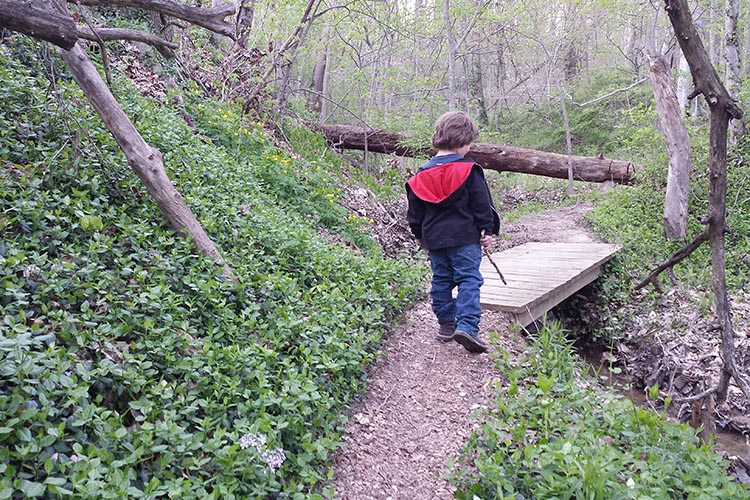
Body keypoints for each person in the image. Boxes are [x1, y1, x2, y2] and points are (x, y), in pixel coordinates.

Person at [405, 111, 500, 354]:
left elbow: (415, 211)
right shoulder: (469, 170)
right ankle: (467, 326)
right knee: (469, 279)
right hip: (465, 237)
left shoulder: (421, 174)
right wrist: (487, 230)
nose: (469, 148)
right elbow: (482, 205)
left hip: (434, 239)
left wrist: (418, 234)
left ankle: (447, 324)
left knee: (441, 279)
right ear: (460, 141)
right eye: (469, 143)